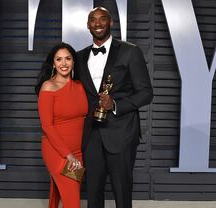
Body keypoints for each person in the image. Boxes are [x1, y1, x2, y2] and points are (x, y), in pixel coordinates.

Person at [76, 7, 153, 208]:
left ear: (111, 23)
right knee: (92, 191)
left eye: (103, 19)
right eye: (93, 20)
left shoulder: (130, 51)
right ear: (88, 25)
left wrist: (116, 104)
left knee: (122, 190)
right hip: (91, 134)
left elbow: (146, 93)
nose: (98, 23)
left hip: (122, 133)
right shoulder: (79, 56)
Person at [36, 42, 88, 208]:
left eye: (68, 59)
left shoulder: (81, 86)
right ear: (53, 63)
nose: (64, 63)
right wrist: (68, 155)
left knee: (62, 194)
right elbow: (47, 126)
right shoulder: (48, 87)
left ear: (74, 62)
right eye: (59, 59)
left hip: (79, 151)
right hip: (58, 152)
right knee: (72, 201)